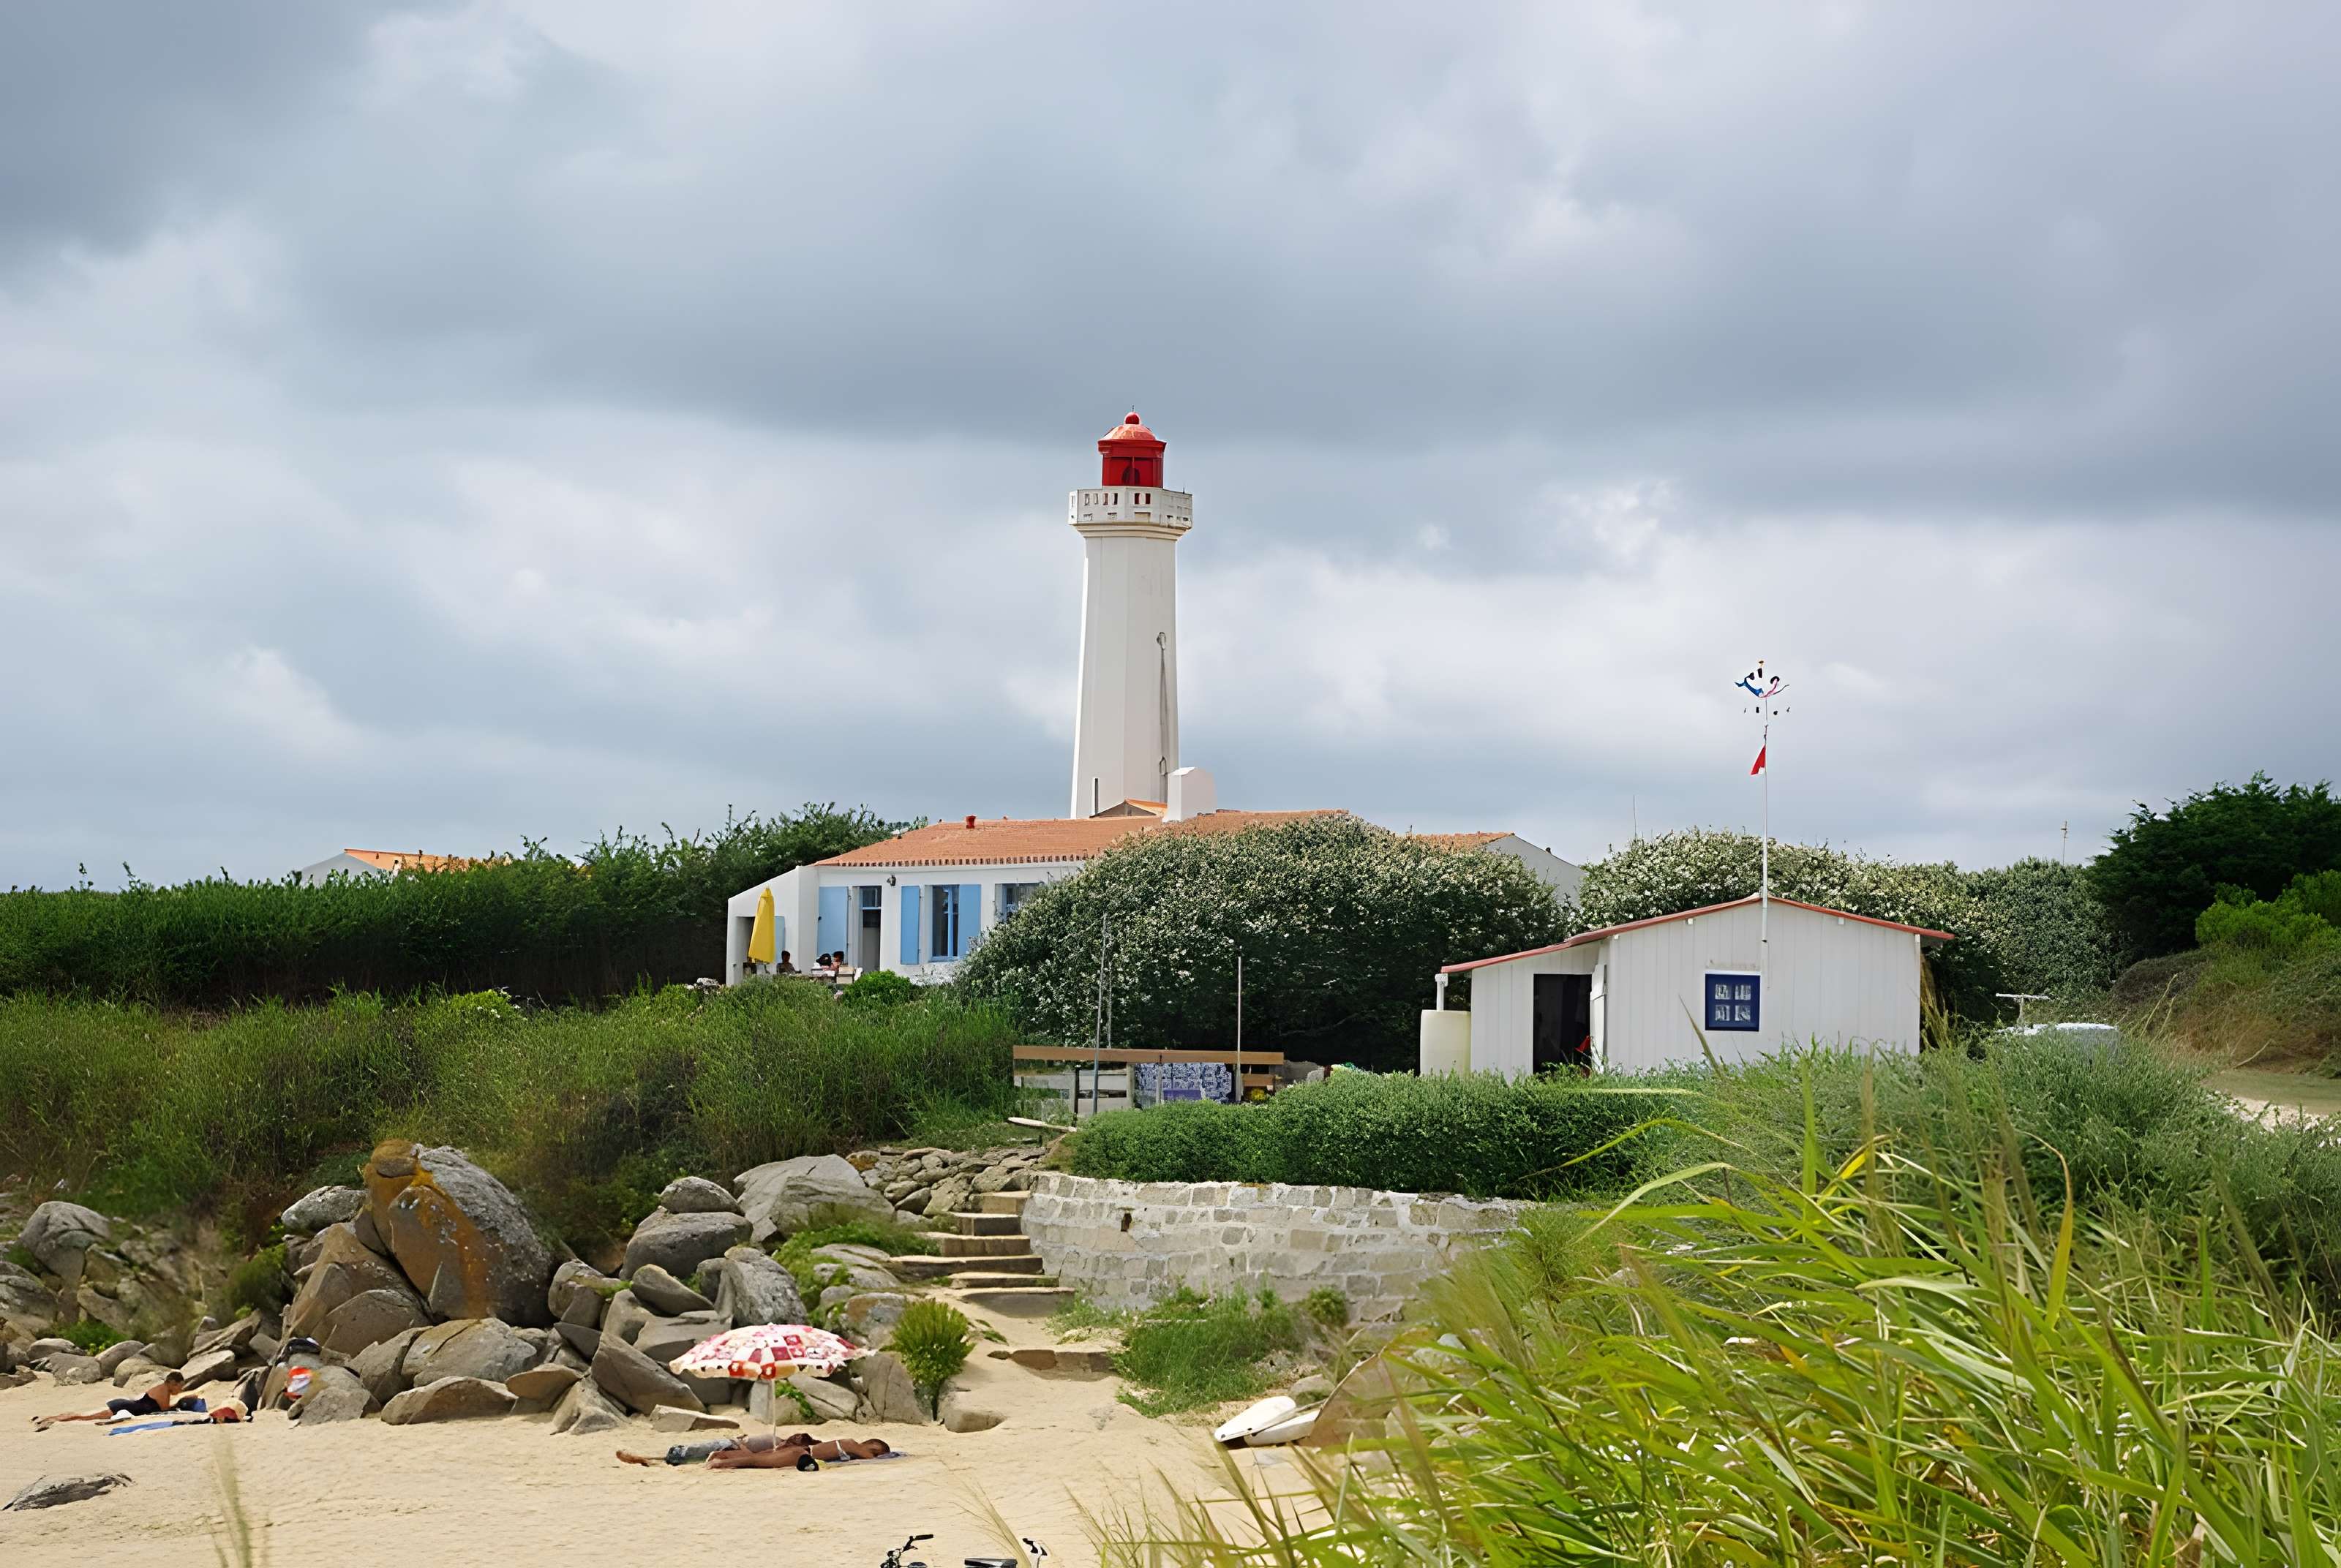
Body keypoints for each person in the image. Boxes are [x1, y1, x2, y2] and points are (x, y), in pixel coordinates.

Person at [615, 1433, 892, 1469]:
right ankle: (653, 1460)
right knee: (752, 1460)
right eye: (876, 1449)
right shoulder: (852, 1444)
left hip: (801, 1453)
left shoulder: (849, 1451)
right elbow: (872, 1459)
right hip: (801, 1454)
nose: (875, 1453)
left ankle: (653, 1461)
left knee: (749, 1458)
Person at [34, 1370, 194, 1429]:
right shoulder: (164, 1391)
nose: (180, 1390)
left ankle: (50, 1418)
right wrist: (183, 1401)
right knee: (84, 1417)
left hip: (125, 1405)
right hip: (123, 1408)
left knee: (84, 1416)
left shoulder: (162, 1389)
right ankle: (49, 1419)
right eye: (179, 1386)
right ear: (172, 1383)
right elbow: (165, 1411)